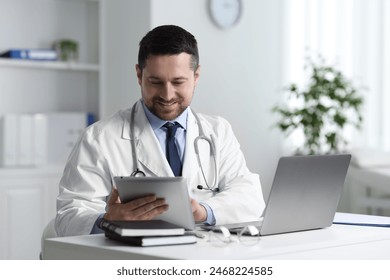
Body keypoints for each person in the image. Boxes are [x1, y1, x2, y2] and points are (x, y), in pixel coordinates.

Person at [55, 25, 265, 237]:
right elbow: (68, 216)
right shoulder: (99, 138)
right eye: (155, 82)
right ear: (139, 75)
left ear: (196, 75)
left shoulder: (218, 132)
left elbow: (249, 197)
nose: (167, 94)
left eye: (178, 82)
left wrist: (203, 212)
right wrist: (106, 220)